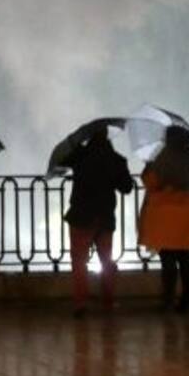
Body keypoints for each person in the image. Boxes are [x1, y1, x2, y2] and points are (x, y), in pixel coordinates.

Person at [64, 124, 134, 317]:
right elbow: (127, 187)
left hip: (80, 215)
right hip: (104, 217)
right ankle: (108, 301)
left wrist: (76, 145)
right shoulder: (116, 160)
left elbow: (63, 162)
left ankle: (80, 303)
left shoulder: (80, 156)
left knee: (79, 261)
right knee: (106, 260)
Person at [139, 125, 189, 313]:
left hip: (163, 213)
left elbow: (150, 183)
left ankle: (168, 300)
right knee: (186, 257)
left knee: (167, 258)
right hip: (187, 213)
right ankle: (187, 301)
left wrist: (148, 166)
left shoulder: (160, 157)